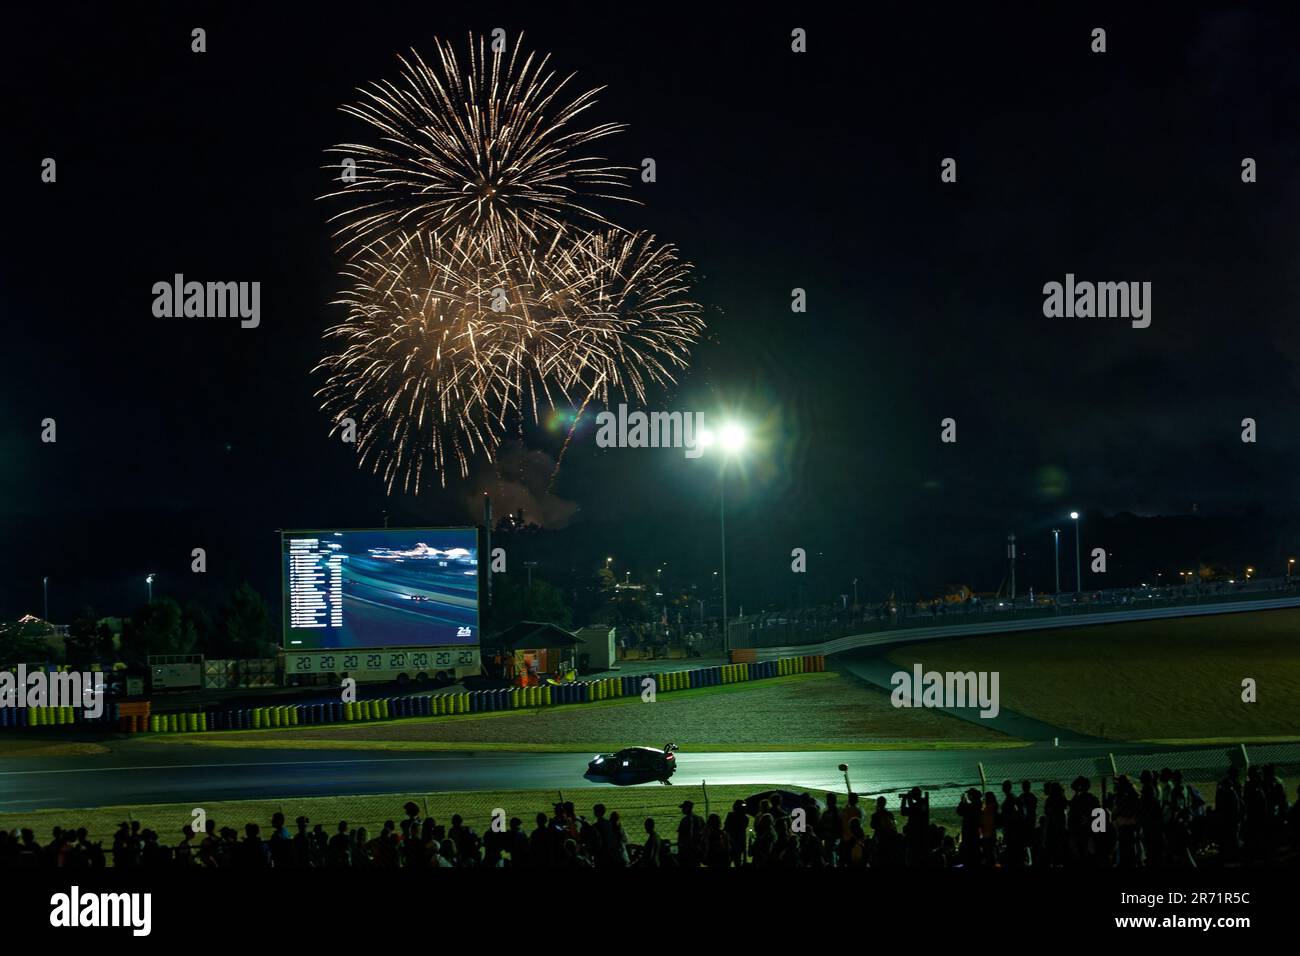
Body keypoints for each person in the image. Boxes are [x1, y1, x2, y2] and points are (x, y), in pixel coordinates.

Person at [676, 801, 704, 867]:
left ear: (688, 808)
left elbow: (680, 838)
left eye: (683, 808)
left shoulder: (684, 820)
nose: (682, 810)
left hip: (686, 851)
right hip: (697, 850)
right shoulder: (700, 819)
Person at [724, 800, 749, 867]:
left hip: (731, 841)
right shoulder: (745, 818)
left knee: (729, 861)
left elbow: (726, 828)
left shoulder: (730, 816)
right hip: (738, 842)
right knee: (737, 862)